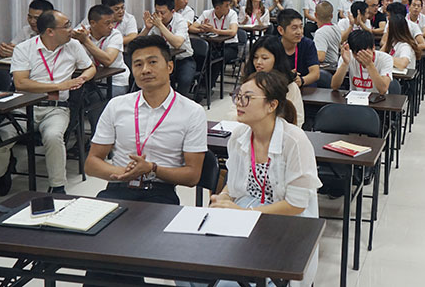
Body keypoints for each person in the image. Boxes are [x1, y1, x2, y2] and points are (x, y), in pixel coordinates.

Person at [210, 71, 321, 287]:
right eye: (238, 96)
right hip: (244, 214)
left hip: (285, 221)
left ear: (272, 105)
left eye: (247, 98)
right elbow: (233, 184)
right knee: (189, 264)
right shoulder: (239, 135)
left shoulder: (294, 141)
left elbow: (296, 205)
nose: (239, 103)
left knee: (231, 280)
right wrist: (222, 198)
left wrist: (247, 214)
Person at [85, 35, 206, 204]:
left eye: (153, 62)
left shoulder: (192, 112)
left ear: (170, 67)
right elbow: (91, 164)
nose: (145, 70)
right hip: (118, 187)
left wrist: (152, 169)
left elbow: (192, 176)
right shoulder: (117, 105)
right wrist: (125, 173)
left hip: (161, 191)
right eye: (138, 64)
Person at [3, 10, 96, 193]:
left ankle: (57, 186)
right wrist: (59, 85)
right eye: (66, 26)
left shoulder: (73, 45)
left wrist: (82, 78)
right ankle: (2, 170)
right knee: (1, 137)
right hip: (24, 107)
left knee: (53, 136)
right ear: (50, 31)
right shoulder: (24, 48)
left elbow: (90, 67)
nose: (71, 29)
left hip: (57, 108)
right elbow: (21, 83)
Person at [139, 0, 196, 99]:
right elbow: (137, 43)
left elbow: (177, 43)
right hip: (161, 60)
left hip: (183, 59)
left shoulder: (180, 21)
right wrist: (147, 29)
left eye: (163, 13)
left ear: (172, 12)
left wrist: (160, 26)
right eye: (157, 12)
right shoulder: (153, 20)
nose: (159, 16)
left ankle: (179, 103)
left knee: (185, 79)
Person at [243, 36, 306, 127]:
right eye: (255, 57)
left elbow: (298, 118)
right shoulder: (249, 83)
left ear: (277, 59)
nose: (258, 62)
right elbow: (235, 113)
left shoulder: (289, 86)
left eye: (264, 58)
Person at [71, 5, 130, 97]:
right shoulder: (80, 33)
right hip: (89, 80)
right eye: (107, 23)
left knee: (96, 100)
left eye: (112, 22)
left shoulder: (115, 35)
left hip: (115, 81)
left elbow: (108, 60)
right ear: (93, 23)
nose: (111, 26)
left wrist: (86, 41)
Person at [193, 0, 240, 87]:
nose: (229, 8)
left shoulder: (232, 14)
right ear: (217, 8)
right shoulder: (207, 13)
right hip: (213, 45)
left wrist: (214, 30)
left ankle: (205, 86)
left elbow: (233, 32)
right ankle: (200, 83)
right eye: (226, 6)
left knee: (217, 59)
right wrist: (202, 29)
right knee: (200, 56)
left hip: (230, 46)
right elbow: (191, 27)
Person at [276, 9, 320, 88]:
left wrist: (301, 80)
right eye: (294, 28)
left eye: (301, 27)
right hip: (280, 88)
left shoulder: (307, 44)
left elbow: (315, 73)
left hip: (304, 88)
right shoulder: (273, 46)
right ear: (281, 30)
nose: (299, 32)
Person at [310, 1, 341, 74]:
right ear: (332, 16)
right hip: (335, 66)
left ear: (315, 15)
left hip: (326, 70)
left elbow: (320, 57)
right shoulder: (336, 27)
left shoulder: (321, 32)